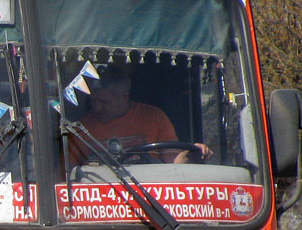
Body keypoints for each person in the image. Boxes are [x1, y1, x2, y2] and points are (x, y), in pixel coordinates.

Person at [72, 65, 211, 165]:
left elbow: (173, 163)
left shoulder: (154, 118)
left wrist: (191, 154)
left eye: (104, 102)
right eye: (93, 101)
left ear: (124, 96)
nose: (96, 107)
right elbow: (66, 175)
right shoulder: (82, 128)